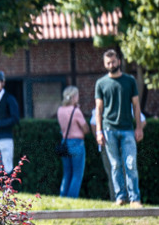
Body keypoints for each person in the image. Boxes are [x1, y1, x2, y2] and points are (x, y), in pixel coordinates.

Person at [94, 49, 143, 207]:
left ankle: (135, 198)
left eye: (113, 62)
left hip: (128, 129)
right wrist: (99, 131)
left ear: (119, 62)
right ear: (104, 64)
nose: (111, 65)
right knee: (115, 165)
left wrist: (139, 128)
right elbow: (99, 110)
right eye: (108, 63)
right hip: (109, 130)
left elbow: (136, 106)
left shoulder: (129, 81)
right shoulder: (101, 84)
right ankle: (120, 197)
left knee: (130, 164)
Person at [56, 86, 89, 199]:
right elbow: (85, 129)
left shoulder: (60, 110)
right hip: (77, 142)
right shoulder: (76, 111)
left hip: (64, 142)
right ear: (74, 97)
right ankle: (72, 198)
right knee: (77, 174)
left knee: (67, 173)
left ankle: (63, 197)